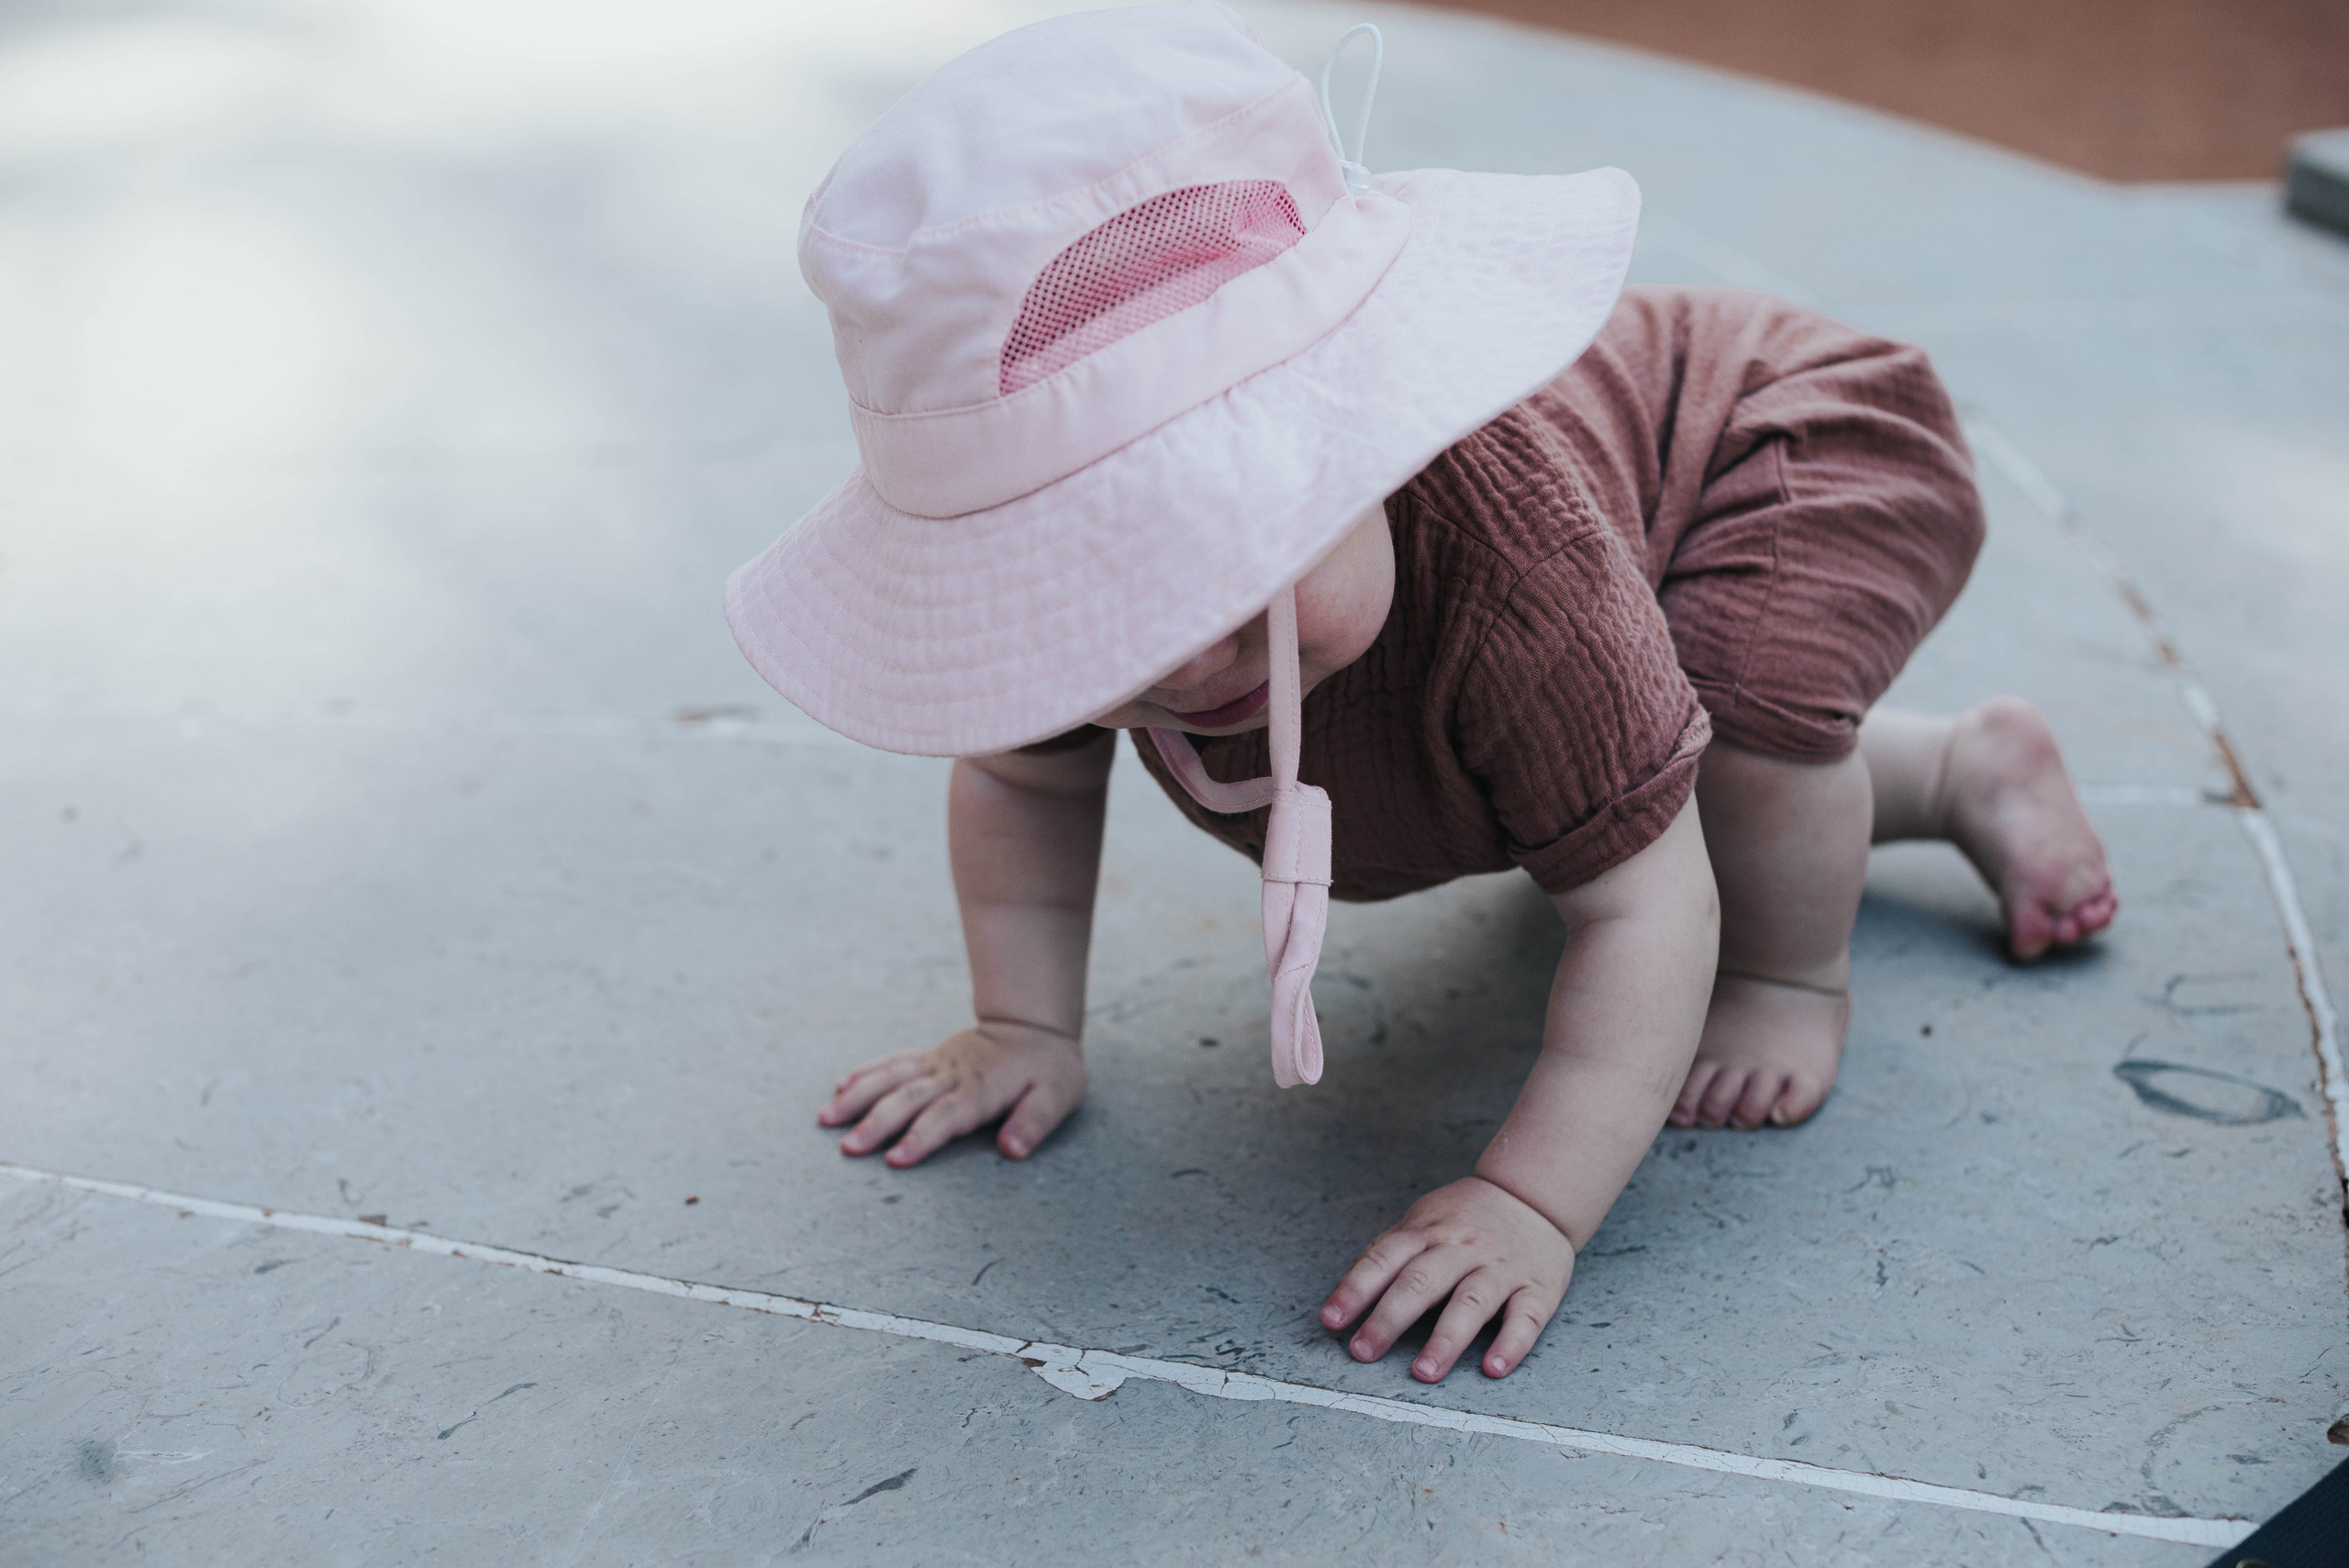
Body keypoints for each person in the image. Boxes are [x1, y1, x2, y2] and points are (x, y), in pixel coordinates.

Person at [725, 1, 2116, 1386]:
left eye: (1243, 566)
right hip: (1636, 535)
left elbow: (1644, 902)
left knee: (1740, 735)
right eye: (1118, 598)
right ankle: (1964, 770)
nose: (1188, 656)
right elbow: (1024, 775)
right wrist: (1024, 1022)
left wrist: (1532, 1198)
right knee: (1618, 753)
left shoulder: (1522, 579)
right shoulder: (1078, 642)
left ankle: (1793, 965)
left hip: (1782, 432)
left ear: (1369, 435)